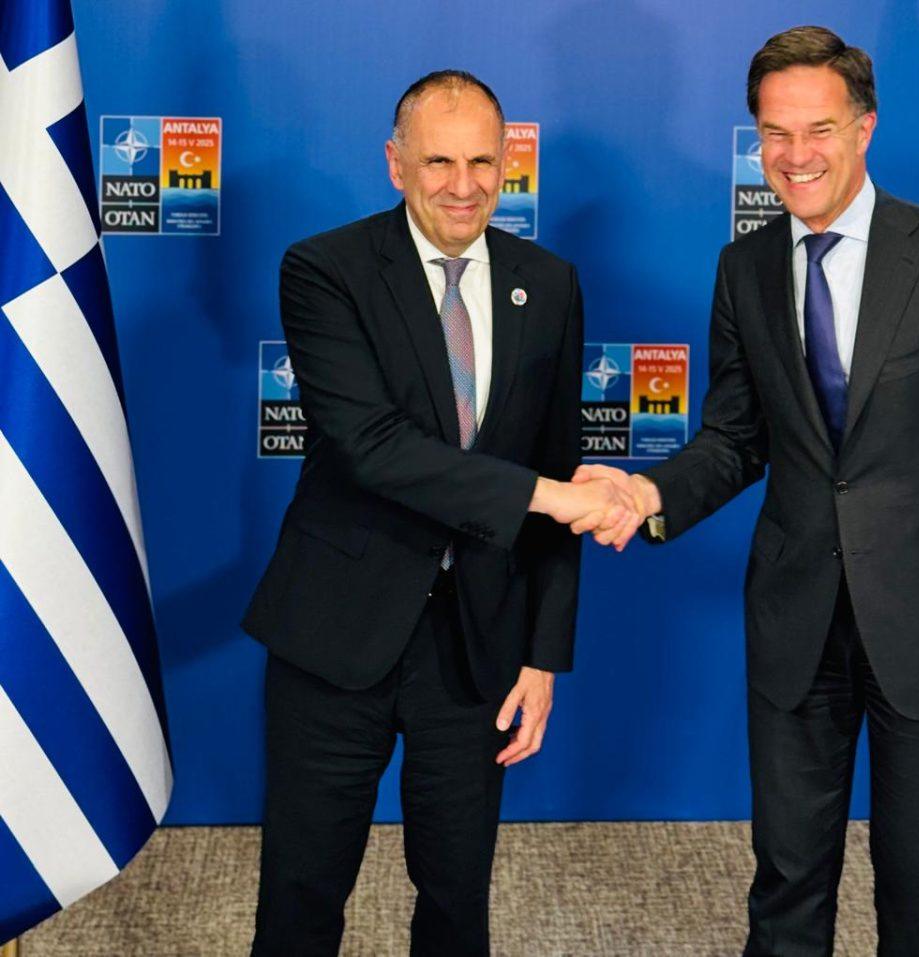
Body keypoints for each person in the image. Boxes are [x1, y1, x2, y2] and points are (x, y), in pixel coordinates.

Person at [576, 26, 919, 956]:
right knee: (787, 878)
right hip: (795, 615)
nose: (795, 155)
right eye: (775, 133)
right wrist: (648, 495)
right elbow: (735, 438)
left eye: (818, 130)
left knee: (916, 882)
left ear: (864, 128)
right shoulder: (744, 267)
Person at [241, 70, 633, 956]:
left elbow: (560, 458)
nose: (464, 185)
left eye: (483, 162)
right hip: (335, 632)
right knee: (302, 894)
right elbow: (373, 446)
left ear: (508, 163)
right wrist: (548, 494)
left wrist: (543, 652)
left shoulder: (550, 283)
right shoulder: (326, 270)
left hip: (476, 644)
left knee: (457, 901)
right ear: (396, 164)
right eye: (439, 162)